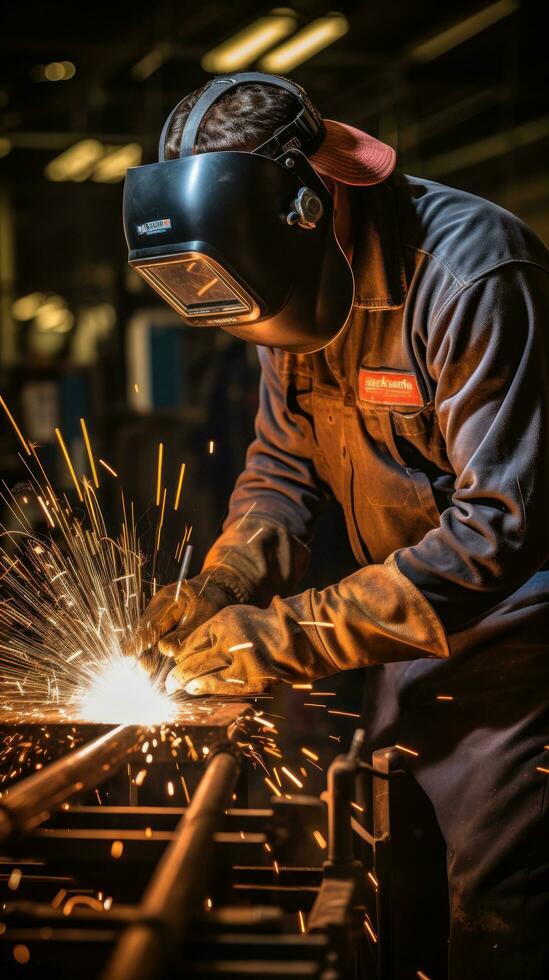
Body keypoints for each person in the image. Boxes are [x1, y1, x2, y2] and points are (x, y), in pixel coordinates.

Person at [124, 73, 549, 978]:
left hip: (521, 664)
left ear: (309, 208)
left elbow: (500, 527)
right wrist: (224, 581)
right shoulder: (298, 287)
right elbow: (282, 471)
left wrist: (286, 633)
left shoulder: (472, 273)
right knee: (392, 897)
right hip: (399, 647)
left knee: (499, 923)